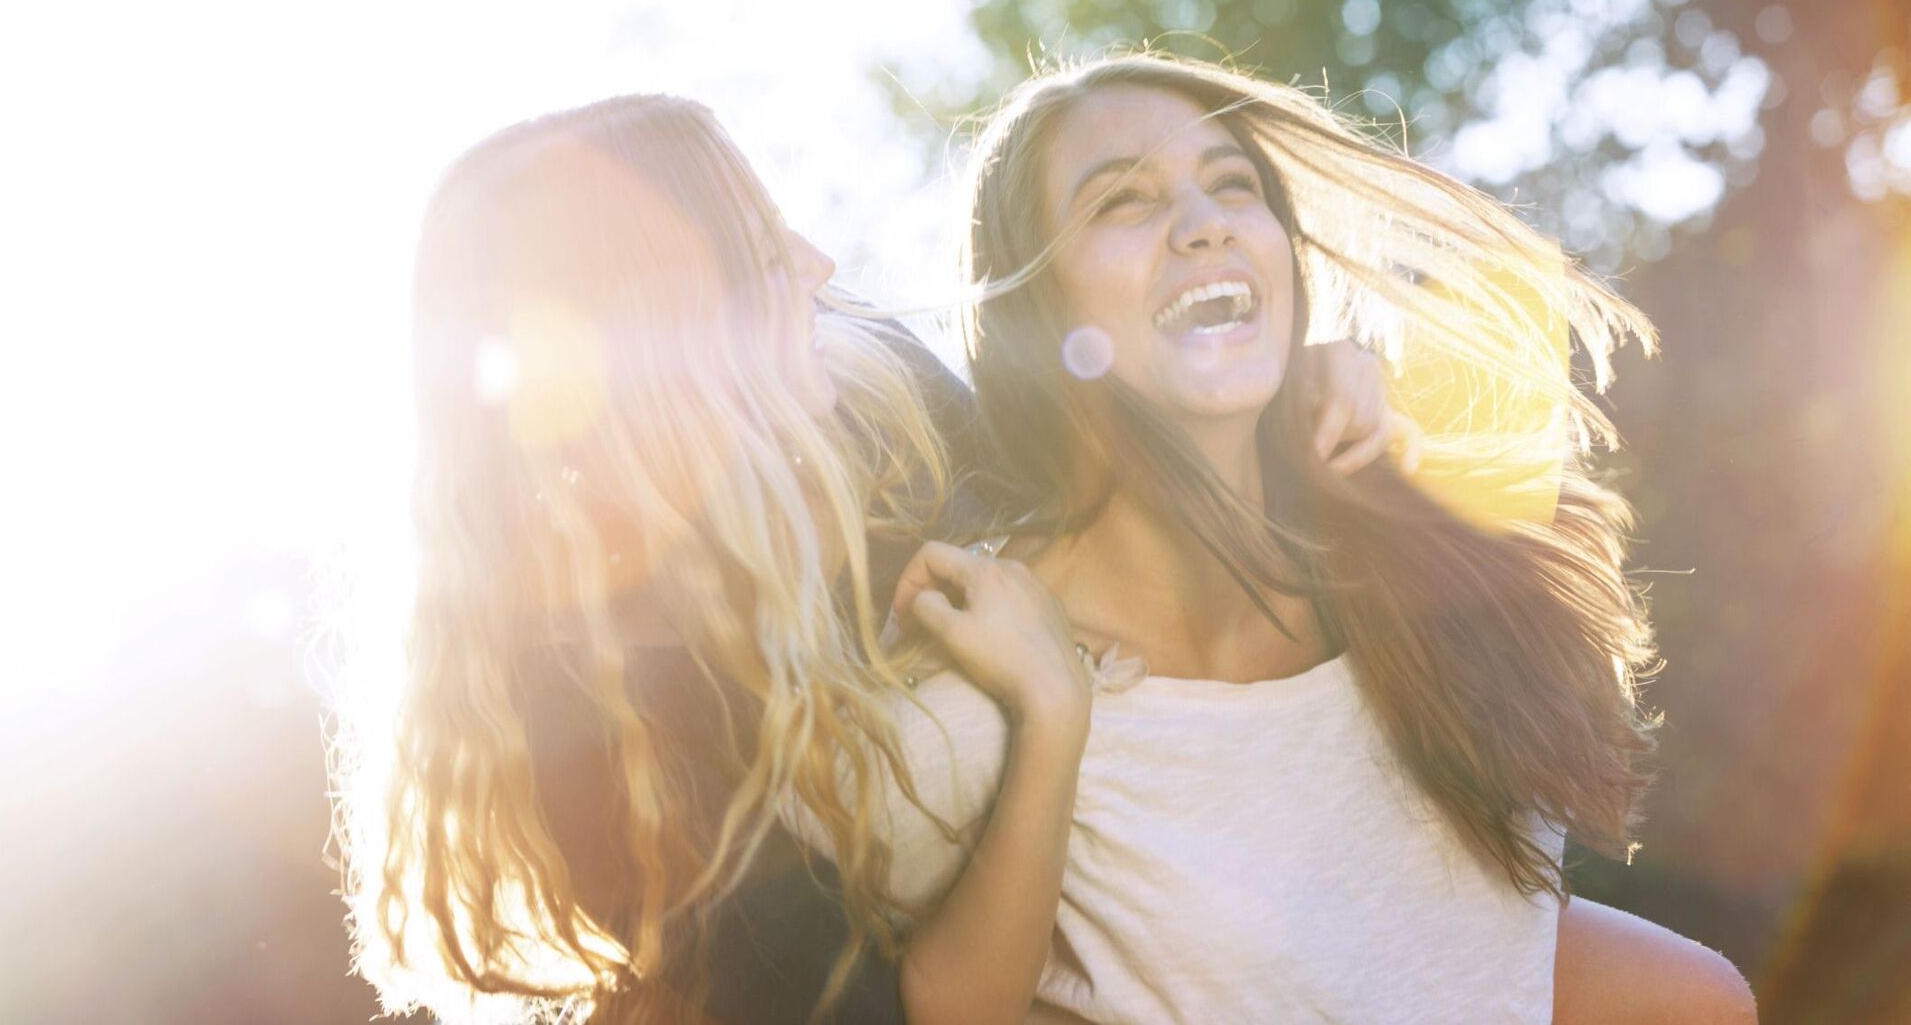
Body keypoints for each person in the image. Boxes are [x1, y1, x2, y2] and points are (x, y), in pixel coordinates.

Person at [331, 92, 1401, 1024]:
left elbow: (1101, 498)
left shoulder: (878, 397)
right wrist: (1048, 716)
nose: (820, 265)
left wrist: (1286, 393)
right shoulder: (579, 728)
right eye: (762, 255)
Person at [864, 53, 1756, 1022]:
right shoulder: (983, 666)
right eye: (1122, 200)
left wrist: (1360, 412)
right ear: (1035, 305)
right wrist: (1048, 716)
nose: (1205, 222)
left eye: (1232, 185)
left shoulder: (1378, 510)